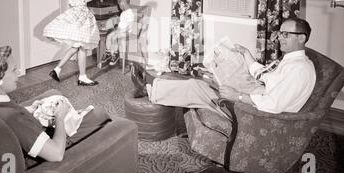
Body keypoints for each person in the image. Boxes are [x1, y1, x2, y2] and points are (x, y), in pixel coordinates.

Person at [131, 18, 316, 117]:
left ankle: (149, 88)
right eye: (280, 33)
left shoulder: (300, 70)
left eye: (286, 34)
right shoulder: (291, 62)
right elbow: (264, 75)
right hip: (255, 93)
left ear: (302, 37)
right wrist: (246, 54)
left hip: (256, 115)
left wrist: (238, 96)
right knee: (208, 80)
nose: (280, 38)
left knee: (195, 87)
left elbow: (274, 105)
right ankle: (152, 86)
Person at [0, 46, 110, 162]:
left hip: (29, 128)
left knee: (56, 96)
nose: (18, 73)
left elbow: (10, 114)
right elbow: (56, 154)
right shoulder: (14, 118)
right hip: (51, 144)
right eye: (13, 70)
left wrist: (28, 109)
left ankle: (74, 114)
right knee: (99, 113)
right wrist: (59, 117)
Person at [43, 0, 115, 86]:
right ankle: (82, 77)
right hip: (81, 14)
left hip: (73, 13)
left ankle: (57, 69)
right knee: (83, 46)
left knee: (76, 46)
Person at [100, 0, 135, 66]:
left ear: (123, 3)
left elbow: (130, 26)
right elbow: (121, 24)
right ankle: (108, 53)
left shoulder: (130, 13)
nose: (119, 6)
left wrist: (121, 31)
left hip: (127, 32)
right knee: (109, 36)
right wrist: (116, 29)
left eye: (119, 4)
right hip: (120, 30)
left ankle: (116, 54)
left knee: (114, 37)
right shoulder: (123, 13)